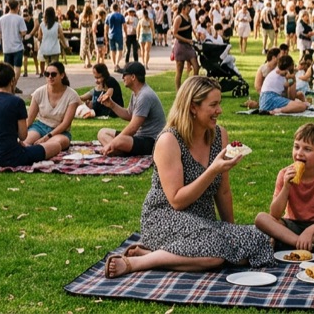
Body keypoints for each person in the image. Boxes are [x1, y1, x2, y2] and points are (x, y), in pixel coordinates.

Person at [104, 76, 273, 278]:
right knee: (215, 255)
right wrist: (212, 171)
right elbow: (176, 201)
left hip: (204, 221)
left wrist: (232, 231)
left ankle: (161, 255)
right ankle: (137, 262)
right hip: (165, 217)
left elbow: (224, 191)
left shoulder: (219, 135)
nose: (219, 110)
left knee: (260, 242)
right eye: (214, 104)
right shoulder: (169, 140)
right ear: (193, 107)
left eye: (219, 103)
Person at [254, 123, 314, 256]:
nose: (299, 153)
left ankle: (286, 242)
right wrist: (286, 186)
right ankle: (312, 246)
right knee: (261, 218)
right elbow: (274, 214)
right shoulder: (284, 174)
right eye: (296, 147)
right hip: (291, 224)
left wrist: (310, 231)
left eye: (307, 149)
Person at [0, 62, 66, 167]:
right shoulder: (17, 102)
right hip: (11, 157)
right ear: (12, 80)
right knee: (56, 146)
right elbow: (23, 135)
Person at [97, 62, 166, 157]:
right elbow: (129, 115)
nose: (122, 78)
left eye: (125, 75)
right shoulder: (136, 93)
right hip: (138, 137)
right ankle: (116, 150)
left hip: (151, 141)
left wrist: (112, 143)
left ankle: (115, 149)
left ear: (133, 77)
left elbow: (133, 128)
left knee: (120, 140)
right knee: (102, 133)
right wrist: (111, 105)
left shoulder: (145, 95)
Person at [23, 61, 77, 149]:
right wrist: (18, 136)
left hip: (60, 131)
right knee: (25, 142)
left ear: (62, 75)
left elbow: (65, 124)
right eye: (47, 74)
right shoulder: (39, 92)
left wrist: (46, 138)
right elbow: (29, 119)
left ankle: (38, 151)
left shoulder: (72, 96)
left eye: (53, 74)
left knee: (55, 144)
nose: (50, 77)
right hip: (39, 127)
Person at [170, 1, 198, 89]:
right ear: (183, 8)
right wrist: (186, 40)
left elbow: (190, 28)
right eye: (188, 7)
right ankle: (178, 91)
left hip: (188, 45)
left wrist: (195, 35)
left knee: (196, 66)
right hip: (180, 45)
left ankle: (192, 87)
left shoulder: (188, 17)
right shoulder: (179, 18)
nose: (189, 8)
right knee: (179, 69)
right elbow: (174, 33)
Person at [0, 0, 27, 78]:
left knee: (8, 69)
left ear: (9, 6)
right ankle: (14, 85)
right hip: (17, 46)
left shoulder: (2, 18)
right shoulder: (19, 19)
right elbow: (24, 32)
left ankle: (9, 85)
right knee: (17, 67)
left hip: (7, 46)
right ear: (18, 7)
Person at [36, 6, 65, 73]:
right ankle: (53, 78)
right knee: (55, 67)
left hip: (45, 49)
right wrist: (65, 45)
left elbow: (39, 37)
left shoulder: (42, 25)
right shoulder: (57, 25)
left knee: (48, 66)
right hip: (55, 49)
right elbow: (62, 36)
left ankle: (49, 76)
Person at [106, 2, 126, 70]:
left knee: (112, 49)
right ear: (117, 8)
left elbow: (106, 26)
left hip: (111, 34)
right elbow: (124, 25)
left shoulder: (108, 16)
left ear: (111, 8)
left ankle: (114, 64)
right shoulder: (121, 16)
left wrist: (105, 34)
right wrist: (125, 33)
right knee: (120, 49)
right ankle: (117, 63)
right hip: (118, 34)